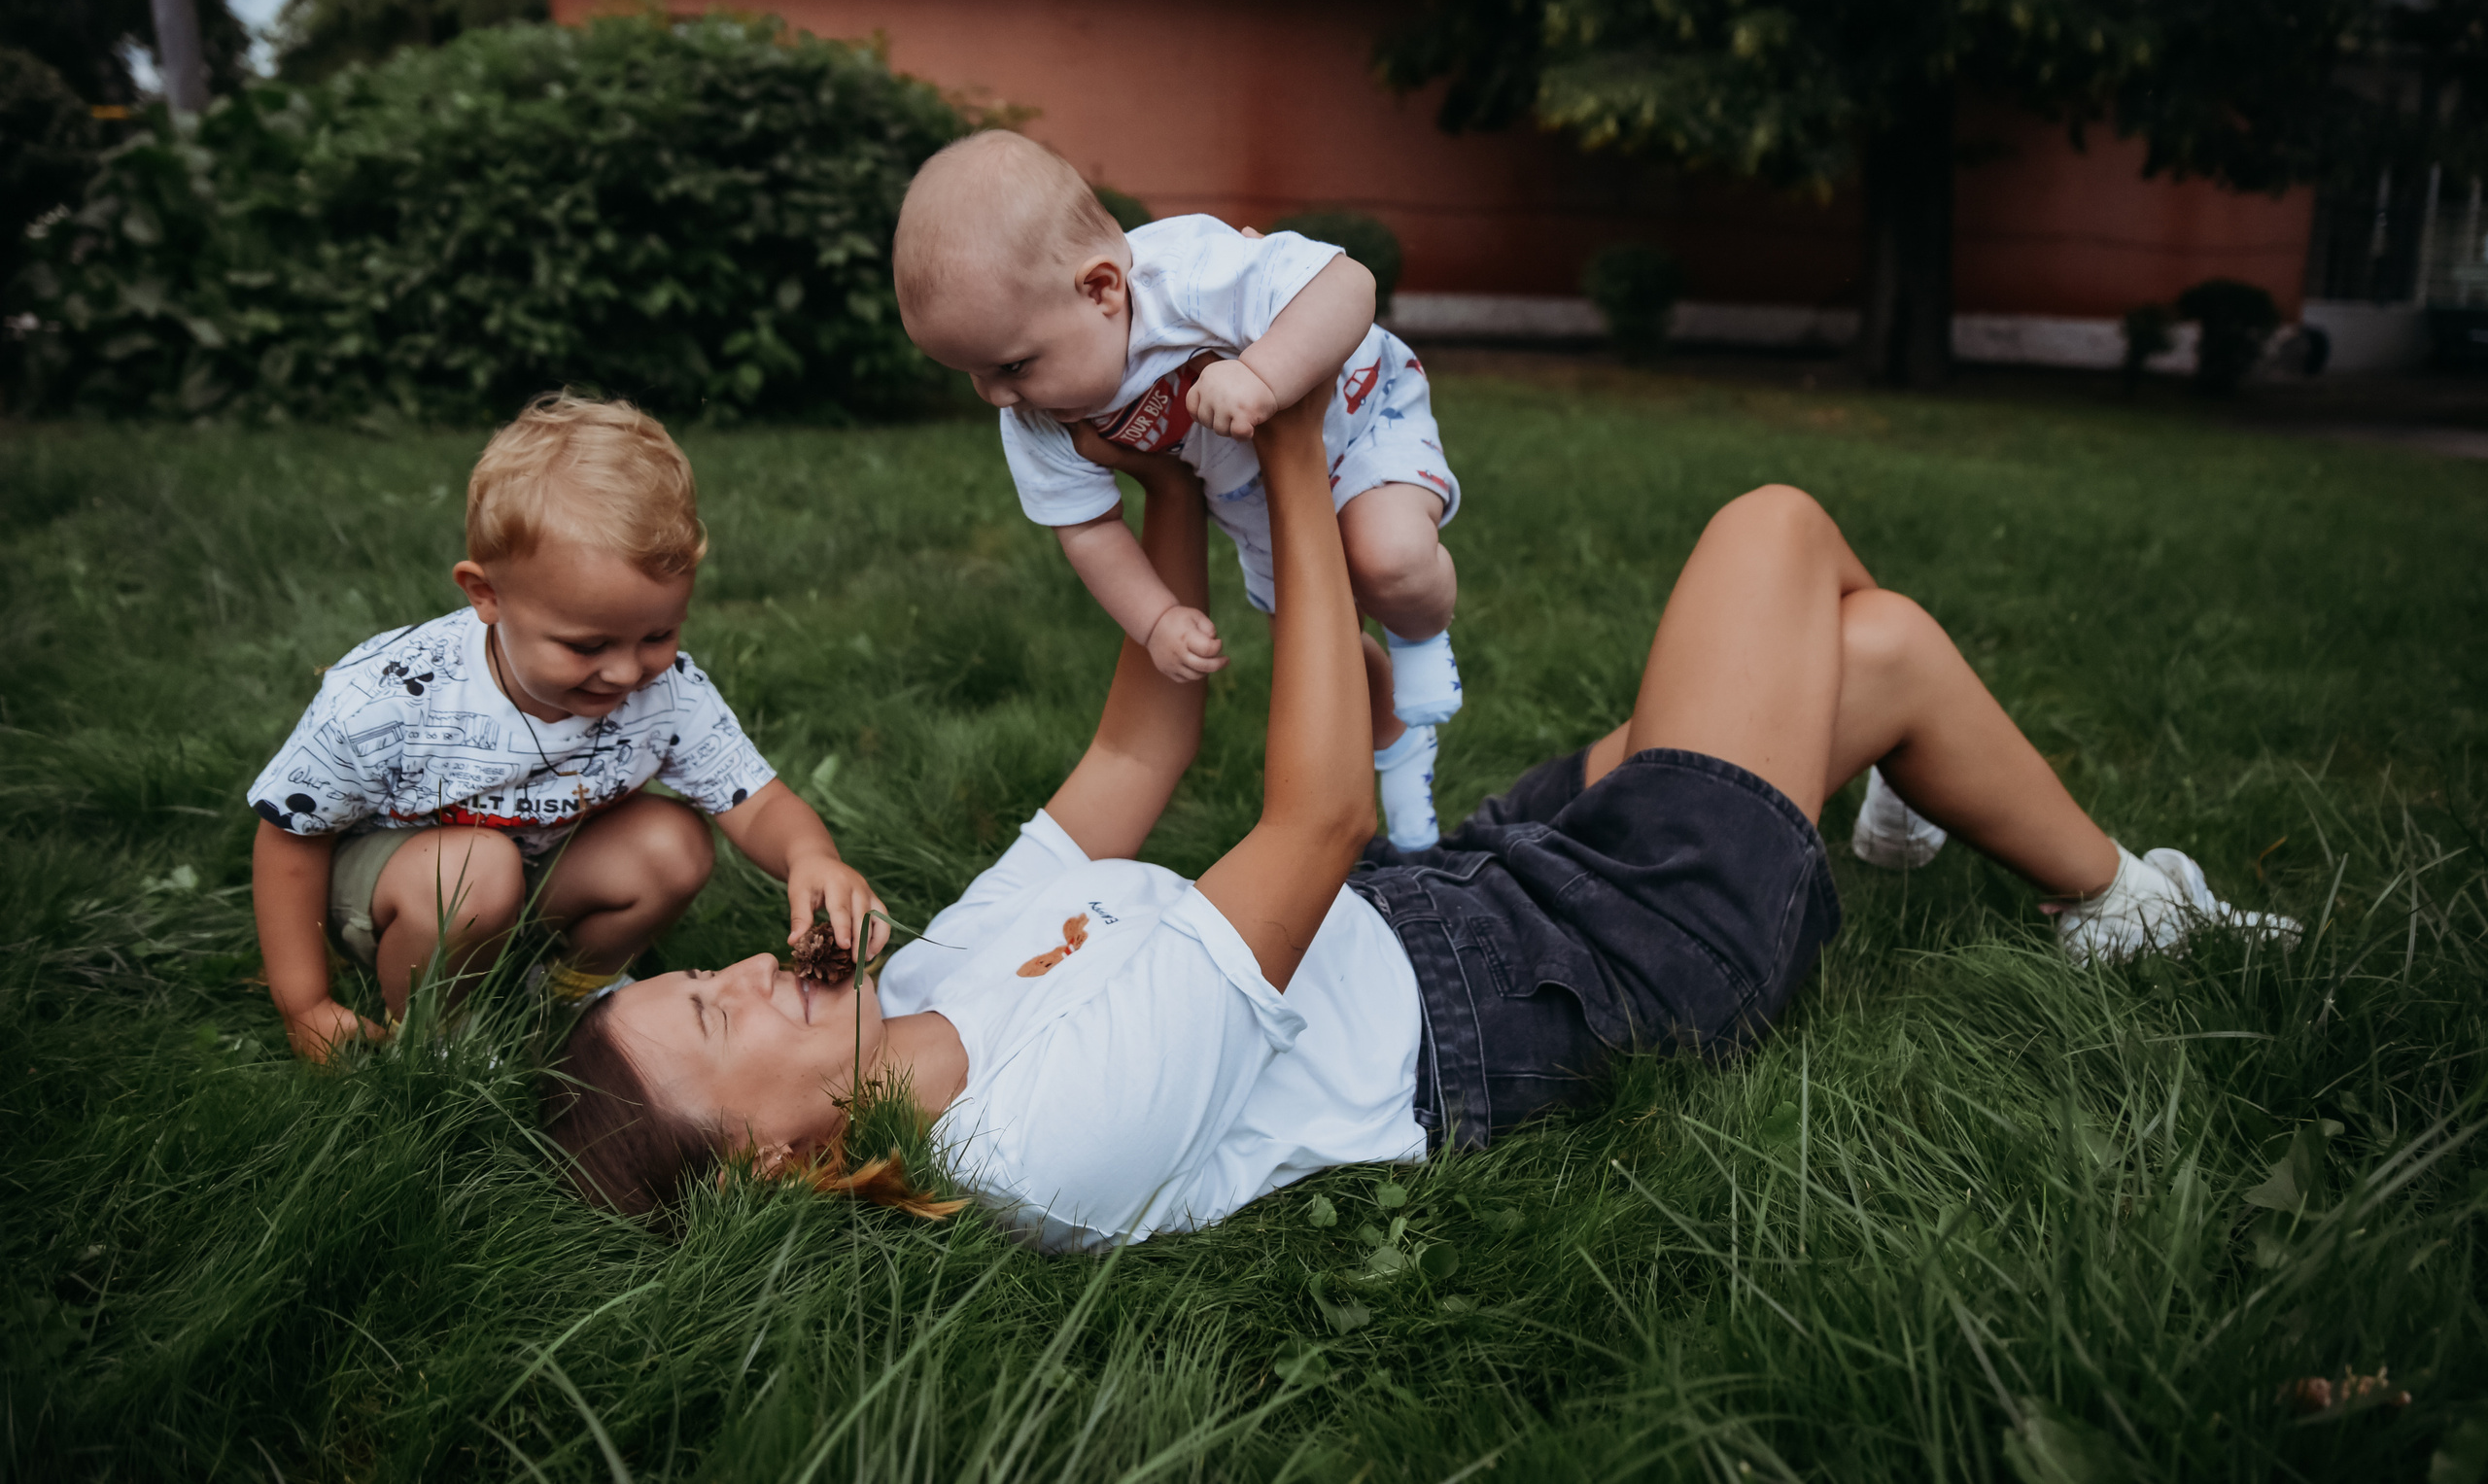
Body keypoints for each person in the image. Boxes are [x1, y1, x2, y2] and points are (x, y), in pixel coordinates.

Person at [541, 389, 2281, 1242]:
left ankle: (2009, 852)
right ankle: (2101, 896)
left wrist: (1151, 481)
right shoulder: (1033, 1142)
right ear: (776, 1159)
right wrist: (1292, 464)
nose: (740, 971)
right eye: (709, 1016)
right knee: (1776, 528)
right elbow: (1301, 822)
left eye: (699, 976)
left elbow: (1138, 754)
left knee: (1871, 650)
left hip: (1452, 900)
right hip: (1584, 976)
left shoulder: (927, 977)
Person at [250, 394, 885, 1061]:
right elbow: (290, 838)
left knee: (674, 841)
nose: (623, 673)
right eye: (587, 646)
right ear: (486, 594)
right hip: (398, 893)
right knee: (478, 869)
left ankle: (563, 995)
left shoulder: (666, 690)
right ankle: (438, 1031)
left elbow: (755, 803)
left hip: (532, 879)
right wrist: (306, 1004)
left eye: (658, 634)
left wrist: (809, 855)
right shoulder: (388, 696)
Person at [893, 130, 1463, 847]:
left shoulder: (1191, 275)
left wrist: (1264, 374)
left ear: (1101, 288)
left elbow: (1348, 284)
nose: (996, 398)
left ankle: (1421, 637)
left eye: (1011, 366)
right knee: (1320, 654)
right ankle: (1398, 741)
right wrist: (1157, 618)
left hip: (1361, 416)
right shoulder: (1038, 416)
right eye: (971, 375)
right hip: (1254, 496)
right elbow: (1087, 529)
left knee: (1389, 560)